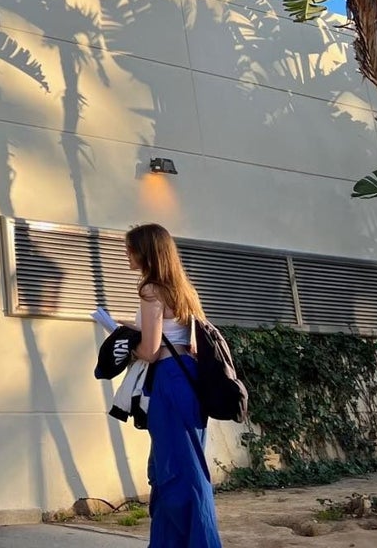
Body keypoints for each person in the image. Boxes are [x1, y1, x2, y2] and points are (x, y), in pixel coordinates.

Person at [126, 223, 222, 548]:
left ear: (146, 251)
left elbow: (151, 351)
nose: (128, 254)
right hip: (189, 380)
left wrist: (127, 346)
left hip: (168, 379)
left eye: (131, 248)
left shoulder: (151, 290)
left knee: (177, 472)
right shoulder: (183, 289)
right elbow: (188, 340)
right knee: (182, 465)